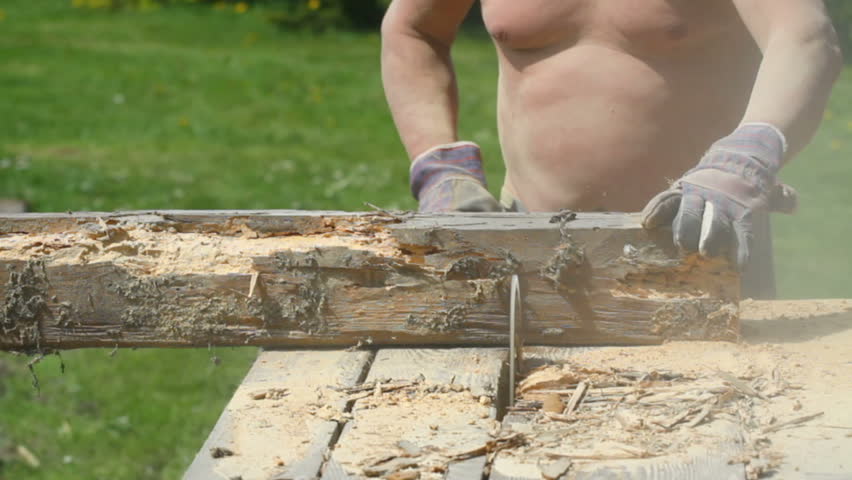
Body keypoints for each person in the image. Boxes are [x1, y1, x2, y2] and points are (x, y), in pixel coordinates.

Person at [380, 0, 842, 299]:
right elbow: (414, 29)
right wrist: (439, 167)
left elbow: (804, 37)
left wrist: (747, 157)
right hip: (528, 248)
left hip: (703, 244)